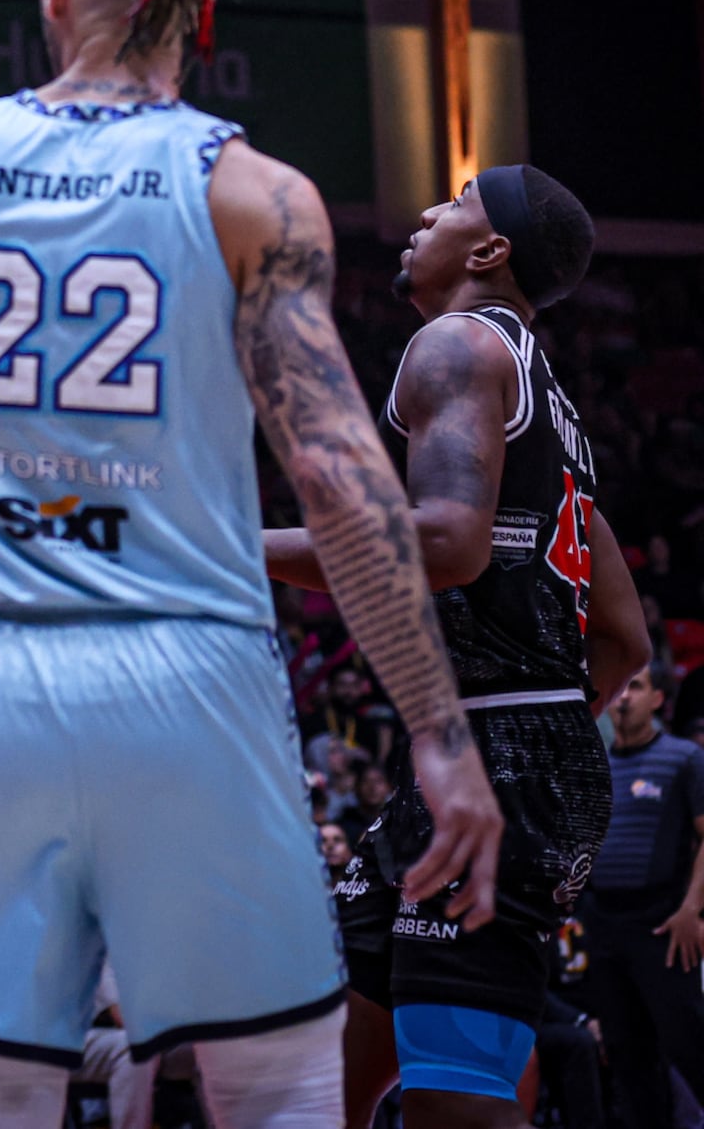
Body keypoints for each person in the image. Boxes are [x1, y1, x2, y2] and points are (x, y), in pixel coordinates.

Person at [0, 0, 502, 1127]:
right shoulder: (255, 194)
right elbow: (349, 489)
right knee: (276, 1085)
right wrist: (437, 734)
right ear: (203, 8)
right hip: (189, 677)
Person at [268, 162, 648, 1127]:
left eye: (457, 203)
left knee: (456, 1108)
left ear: (489, 251)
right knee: (317, 1079)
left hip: (503, 758)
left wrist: (219, 545)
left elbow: (442, 540)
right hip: (501, 749)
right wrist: (546, 728)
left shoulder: (457, 343)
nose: (428, 211)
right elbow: (623, 637)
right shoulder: (552, 404)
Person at [576, 662, 704, 1127]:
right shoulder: (595, 761)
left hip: (664, 924)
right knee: (628, 1062)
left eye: (637, 686)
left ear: (658, 699)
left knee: (690, 1044)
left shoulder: (683, 759)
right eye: (620, 687)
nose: (624, 696)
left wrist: (692, 909)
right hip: (604, 927)